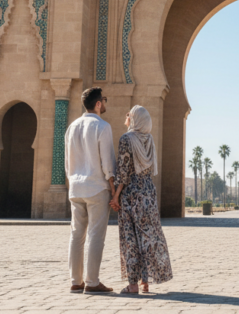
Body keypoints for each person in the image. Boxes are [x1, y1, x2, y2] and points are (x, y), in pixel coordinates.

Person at [110, 105, 173, 294]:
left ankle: (132, 285)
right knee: (147, 238)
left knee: (130, 239)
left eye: (129, 115)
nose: (126, 117)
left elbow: (123, 172)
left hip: (131, 194)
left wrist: (115, 196)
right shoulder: (150, 139)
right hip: (148, 193)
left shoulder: (126, 139)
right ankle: (146, 282)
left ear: (135, 119)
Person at [65, 87, 116, 294]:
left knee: (77, 235)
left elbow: (68, 163)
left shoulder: (72, 127)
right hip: (96, 188)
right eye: (104, 100)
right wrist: (114, 190)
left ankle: (76, 281)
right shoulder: (102, 127)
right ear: (97, 104)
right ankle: (92, 282)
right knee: (96, 235)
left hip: (76, 188)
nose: (105, 103)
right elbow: (108, 164)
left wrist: (72, 181)